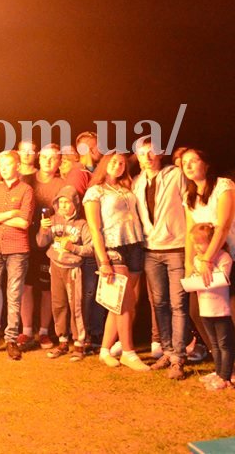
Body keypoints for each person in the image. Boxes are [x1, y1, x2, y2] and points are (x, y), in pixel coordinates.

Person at [181, 148, 235, 400]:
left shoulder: (224, 186)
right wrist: (190, 267)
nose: (189, 165)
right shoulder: (189, 196)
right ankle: (225, 371)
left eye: (194, 160)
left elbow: (224, 225)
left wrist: (207, 258)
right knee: (197, 313)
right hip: (204, 265)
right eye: (184, 163)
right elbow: (189, 233)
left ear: (206, 163)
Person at [84, 153, 149, 372]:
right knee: (124, 302)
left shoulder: (126, 189)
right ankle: (128, 353)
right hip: (113, 247)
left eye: (122, 163)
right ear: (104, 164)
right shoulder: (95, 191)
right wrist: (102, 259)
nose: (118, 165)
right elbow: (94, 227)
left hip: (135, 244)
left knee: (119, 303)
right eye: (113, 161)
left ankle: (105, 350)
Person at [132, 137, 190, 380]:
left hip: (176, 247)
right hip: (151, 249)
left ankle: (179, 357)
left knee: (178, 304)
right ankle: (167, 350)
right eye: (142, 153)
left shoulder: (176, 174)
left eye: (152, 151)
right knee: (160, 304)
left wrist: (192, 241)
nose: (147, 157)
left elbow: (190, 205)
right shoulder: (137, 182)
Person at [0, 150, 34, 359]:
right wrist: (11, 213)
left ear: (17, 166)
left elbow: (24, 223)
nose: (2, 168)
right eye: (0, 165)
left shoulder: (26, 190)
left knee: (13, 296)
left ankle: (11, 339)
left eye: (7, 164)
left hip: (17, 249)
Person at [37, 186, 93, 360]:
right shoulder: (52, 220)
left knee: (75, 305)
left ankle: (78, 344)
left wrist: (73, 248)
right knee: (58, 303)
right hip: (55, 265)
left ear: (75, 203)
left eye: (66, 202)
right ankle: (62, 340)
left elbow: (91, 249)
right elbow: (40, 243)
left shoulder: (82, 224)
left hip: (72, 269)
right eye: (60, 202)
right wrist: (43, 229)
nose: (62, 205)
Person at [20, 144, 65, 351]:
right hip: (25, 240)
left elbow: (66, 212)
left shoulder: (61, 184)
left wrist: (52, 224)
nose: (48, 161)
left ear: (58, 162)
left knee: (48, 289)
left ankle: (45, 332)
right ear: (39, 158)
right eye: (45, 157)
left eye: (53, 158)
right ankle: (27, 331)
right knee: (26, 286)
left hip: (50, 243)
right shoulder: (26, 180)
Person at [187, 224, 234, 391]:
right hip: (205, 307)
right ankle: (219, 372)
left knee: (224, 344)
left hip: (221, 308)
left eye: (200, 243)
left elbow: (221, 278)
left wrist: (205, 272)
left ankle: (226, 376)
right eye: (194, 244)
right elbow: (195, 278)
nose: (196, 247)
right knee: (214, 344)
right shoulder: (196, 260)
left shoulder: (223, 257)